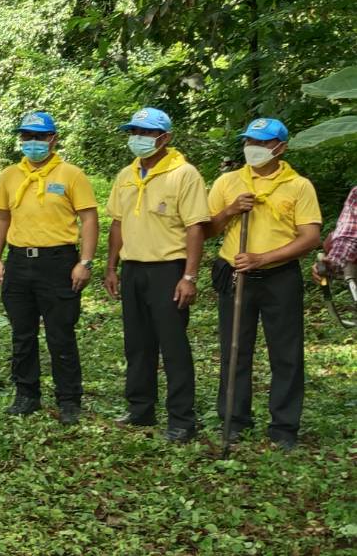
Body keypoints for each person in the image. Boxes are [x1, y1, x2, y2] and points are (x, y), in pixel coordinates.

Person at [206, 118, 321, 450]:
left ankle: (284, 427)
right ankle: (234, 420)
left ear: (280, 147)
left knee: (285, 353)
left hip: (279, 277)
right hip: (234, 274)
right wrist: (230, 211)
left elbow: (310, 237)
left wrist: (262, 258)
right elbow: (209, 229)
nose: (252, 148)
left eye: (262, 142)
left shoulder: (299, 186)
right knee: (234, 349)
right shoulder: (228, 181)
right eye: (248, 141)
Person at [103, 107, 209, 442]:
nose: (139, 138)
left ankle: (181, 420)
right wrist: (112, 266)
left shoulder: (184, 174)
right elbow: (118, 223)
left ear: (164, 137)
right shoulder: (126, 174)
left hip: (168, 269)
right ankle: (140, 408)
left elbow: (195, 228)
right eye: (134, 131)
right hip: (133, 267)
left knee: (173, 345)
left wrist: (189, 276)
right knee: (137, 343)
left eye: (146, 133)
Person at [0, 111, 99, 424]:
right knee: (22, 333)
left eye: (39, 137)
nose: (33, 142)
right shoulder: (10, 175)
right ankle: (26, 394)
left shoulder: (71, 175)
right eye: (27, 136)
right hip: (18, 261)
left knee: (60, 333)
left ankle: (68, 400)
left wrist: (85, 262)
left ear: (53, 139)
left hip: (58, 263)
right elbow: (2, 218)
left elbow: (89, 219)